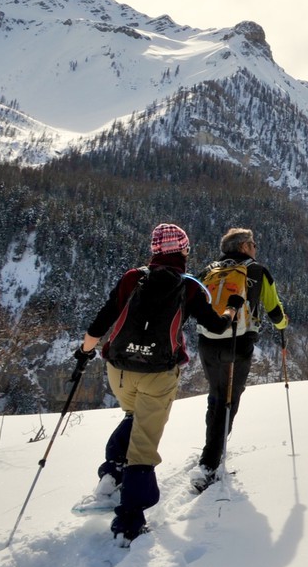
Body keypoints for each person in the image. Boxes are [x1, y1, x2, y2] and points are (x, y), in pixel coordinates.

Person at [77, 222, 233, 545]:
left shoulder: (132, 278)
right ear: (184, 251)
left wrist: (84, 352)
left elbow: (103, 319)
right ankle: (129, 523)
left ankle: (111, 475)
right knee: (144, 444)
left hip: (119, 371)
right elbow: (217, 326)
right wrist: (232, 310)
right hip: (159, 374)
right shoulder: (188, 286)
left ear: (154, 250)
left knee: (134, 417)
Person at [191, 226, 288, 493]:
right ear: (244, 246)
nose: (255, 248)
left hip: (207, 342)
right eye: (253, 244)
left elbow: (192, 302)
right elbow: (274, 310)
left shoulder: (208, 271)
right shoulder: (257, 271)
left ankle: (212, 449)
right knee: (230, 399)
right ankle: (209, 464)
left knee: (216, 394)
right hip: (238, 342)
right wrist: (283, 325)